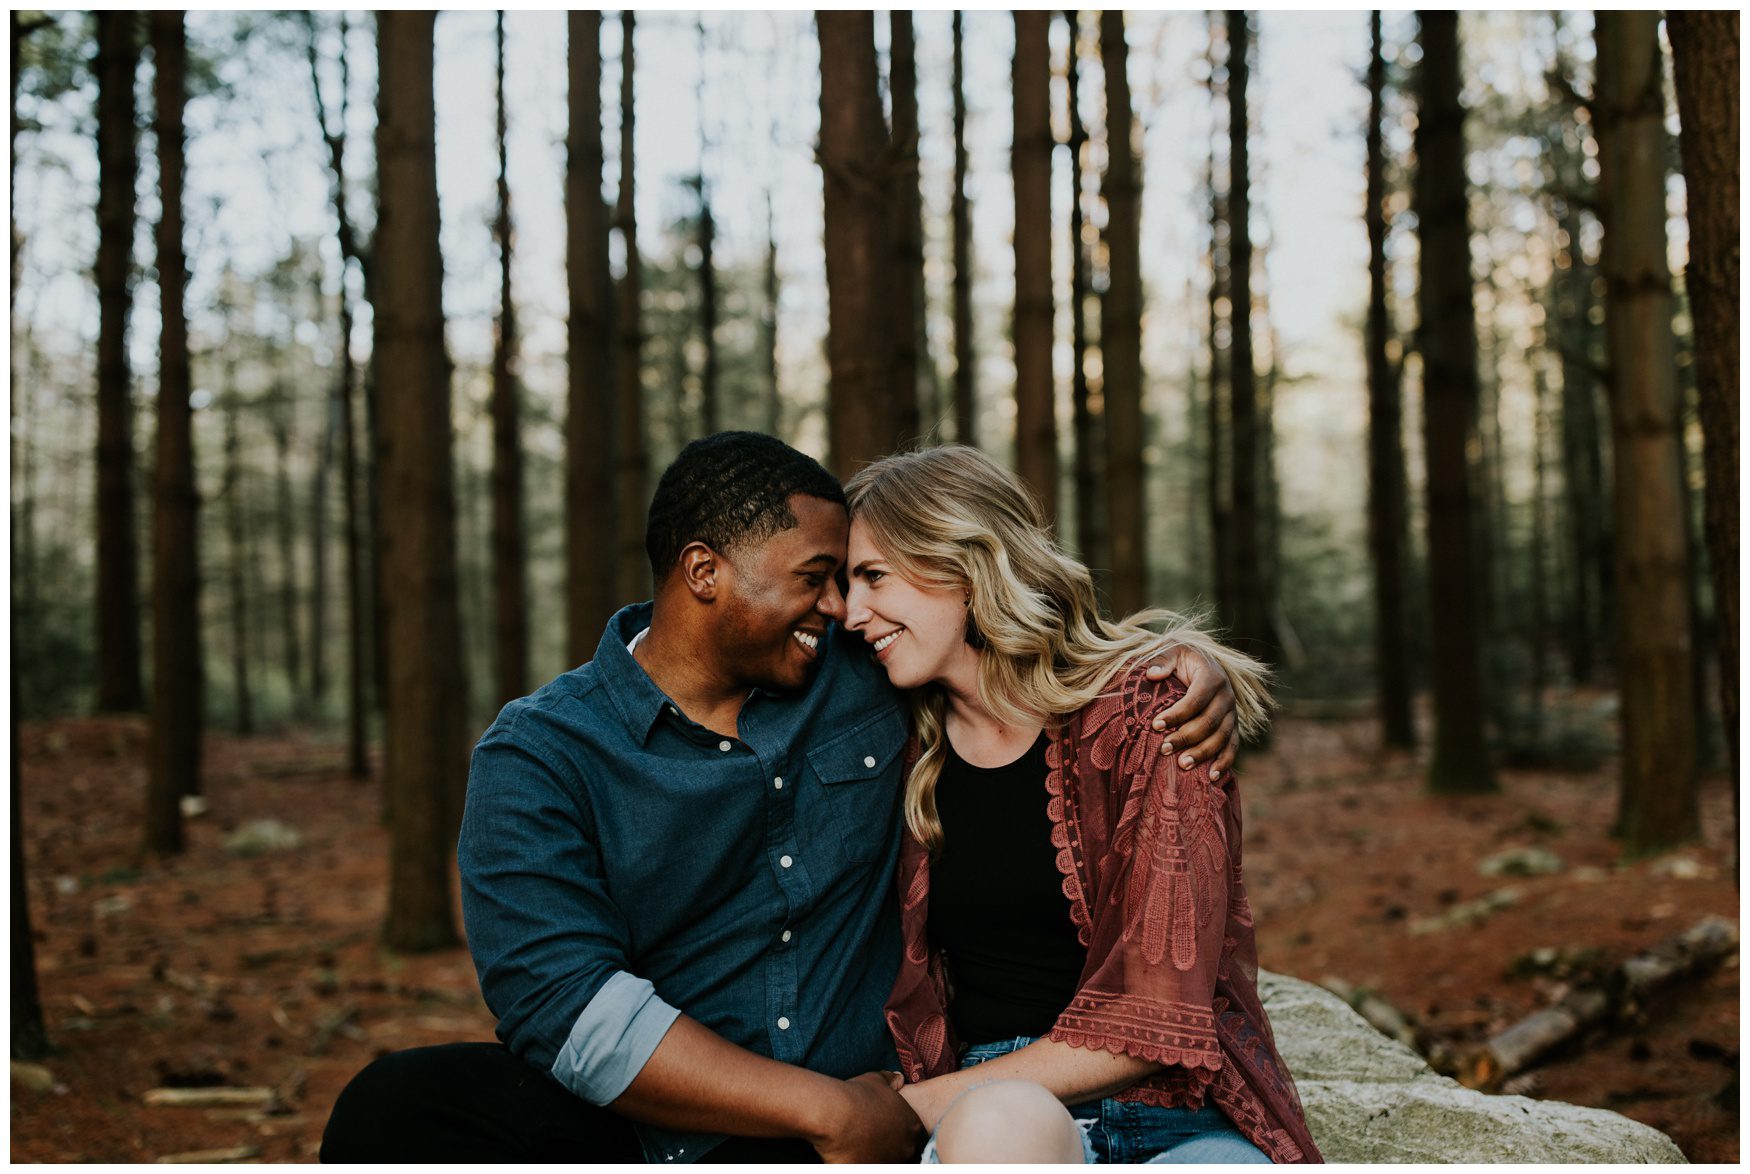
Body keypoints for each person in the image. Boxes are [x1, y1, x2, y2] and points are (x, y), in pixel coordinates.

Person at [320, 432, 1241, 1164]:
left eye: (857, 579)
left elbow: (1004, 659)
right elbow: (560, 1002)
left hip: (866, 1120)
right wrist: (830, 1114)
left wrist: (1182, 671)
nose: (841, 608)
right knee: (396, 1108)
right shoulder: (542, 752)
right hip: (666, 1129)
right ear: (705, 571)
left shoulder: (865, 673)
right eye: (818, 577)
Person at [843, 445, 1322, 1164]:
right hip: (993, 1119)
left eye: (873, 576)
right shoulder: (891, 739)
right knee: (1000, 1128)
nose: (852, 613)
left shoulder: (1150, 716)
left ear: (961, 563)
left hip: (1176, 1118)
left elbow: (1156, 1019)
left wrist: (889, 1112)